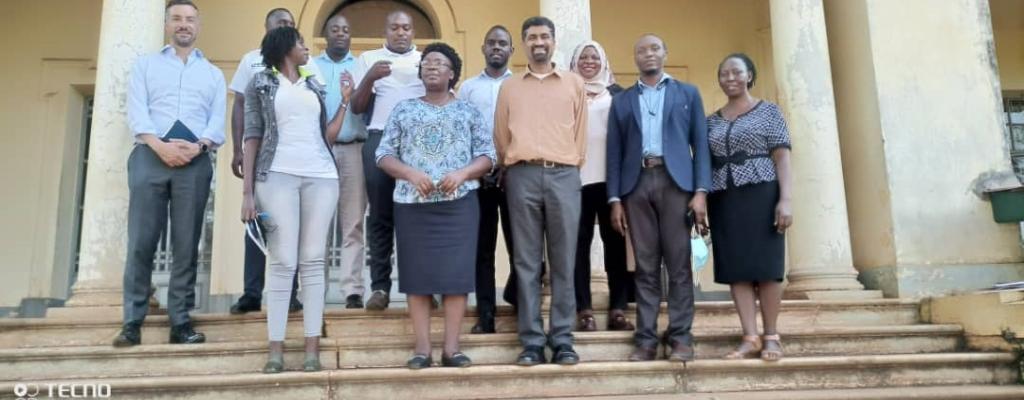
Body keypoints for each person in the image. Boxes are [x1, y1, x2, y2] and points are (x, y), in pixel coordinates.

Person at [240, 27, 353, 373]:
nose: (307, 48)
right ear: (285, 46)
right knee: (283, 261)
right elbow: (252, 136)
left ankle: (311, 350)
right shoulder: (260, 83)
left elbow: (326, 136)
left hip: (322, 176)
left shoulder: (313, 84)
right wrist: (247, 193)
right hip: (276, 176)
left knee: (313, 260)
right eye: (301, 43)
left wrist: (345, 101)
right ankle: (275, 349)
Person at [376, 43, 495, 369]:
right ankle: (422, 350)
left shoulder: (468, 111)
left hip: (459, 206)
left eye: (439, 63)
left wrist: (463, 173)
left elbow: (488, 156)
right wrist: (410, 173)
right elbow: (383, 154)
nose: (431, 66)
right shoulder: (403, 110)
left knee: (456, 277)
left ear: (452, 73)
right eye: (427, 62)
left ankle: (452, 349)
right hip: (413, 206)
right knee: (418, 277)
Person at [114, 0, 225, 347]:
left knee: (187, 244)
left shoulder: (213, 74)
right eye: (176, 18)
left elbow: (217, 121)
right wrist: (160, 146)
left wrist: (199, 146)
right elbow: (137, 113)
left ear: (198, 26)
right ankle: (132, 322)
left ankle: (180, 322)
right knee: (141, 242)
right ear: (167, 25)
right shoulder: (146, 65)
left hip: (194, 161)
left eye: (190, 19)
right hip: (150, 156)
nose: (183, 24)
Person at [607, 34, 711, 362]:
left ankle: (680, 338)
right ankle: (646, 340)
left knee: (679, 264)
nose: (648, 54)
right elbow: (614, 152)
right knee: (645, 267)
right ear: (635, 58)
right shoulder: (621, 101)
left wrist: (700, 192)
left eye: (654, 48)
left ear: (665, 53)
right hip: (636, 185)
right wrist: (614, 199)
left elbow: (701, 145)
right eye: (642, 50)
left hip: (676, 183)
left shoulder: (688, 93)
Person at [494, 16, 587, 366]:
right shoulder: (510, 87)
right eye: (532, 37)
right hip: (522, 175)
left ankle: (562, 339)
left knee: (564, 260)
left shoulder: (574, 84)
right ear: (523, 43)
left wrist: (568, 165)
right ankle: (532, 341)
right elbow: (501, 135)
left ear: (553, 42)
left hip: (564, 174)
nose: (539, 42)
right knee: (526, 261)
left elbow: (580, 134)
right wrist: (516, 164)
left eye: (544, 36)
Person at [227, 7, 318, 315]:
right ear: (267, 28)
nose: (286, 28)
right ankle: (251, 293)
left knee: (291, 227)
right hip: (263, 154)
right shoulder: (251, 61)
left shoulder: (307, 63)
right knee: (257, 222)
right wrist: (238, 149)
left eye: (291, 25)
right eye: (281, 24)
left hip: (297, 158)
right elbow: (241, 105)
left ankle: (289, 294)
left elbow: (317, 108)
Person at [707, 53, 792, 362]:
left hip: (762, 193)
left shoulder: (769, 111)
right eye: (724, 73)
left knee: (767, 267)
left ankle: (771, 335)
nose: (730, 78)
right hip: (724, 198)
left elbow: (782, 157)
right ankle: (750, 337)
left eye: (736, 72)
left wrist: (786, 199)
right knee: (736, 269)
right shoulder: (710, 121)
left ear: (749, 76)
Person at [351, 10, 426, 311]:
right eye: (394, 27)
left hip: (418, 143)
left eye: (406, 28)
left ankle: (421, 287)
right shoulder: (369, 59)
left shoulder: (426, 59)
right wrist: (370, 77)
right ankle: (380, 287)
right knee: (380, 215)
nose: (400, 32)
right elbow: (357, 106)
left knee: (417, 216)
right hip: (379, 138)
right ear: (386, 31)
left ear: (413, 32)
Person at [567, 40, 634, 333]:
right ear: (574, 62)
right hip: (574, 180)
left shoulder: (618, 94)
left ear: (604, 61)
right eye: (583, 57)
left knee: (615, 243)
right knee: (577, 246)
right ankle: (584, 309)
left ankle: (618, 308)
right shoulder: (566, 92)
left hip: (611, 181)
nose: (589, 61)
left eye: (595, 57)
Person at [457, 25, 516, 334]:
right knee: (483, 250)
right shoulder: (468, 88)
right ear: (483, 48)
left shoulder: (520, 85)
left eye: (502, 43)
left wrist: (509, 163)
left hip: (515, 176)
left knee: (522, 247)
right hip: (478, 178)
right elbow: (461, 131)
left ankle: (520, 303)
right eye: (491, 42)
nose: (496, 47)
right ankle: (486, 315)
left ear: (511, 51)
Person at [314, 13, 369, 309]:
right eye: (335, 29)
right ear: (326, 34)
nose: (340, 33)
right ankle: (314, 289)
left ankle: (352, 290)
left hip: (352, 150)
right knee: (316, 223)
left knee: (353, 222)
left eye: (345, 30)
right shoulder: (310, 66)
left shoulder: (361, 67)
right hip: (317, 152)